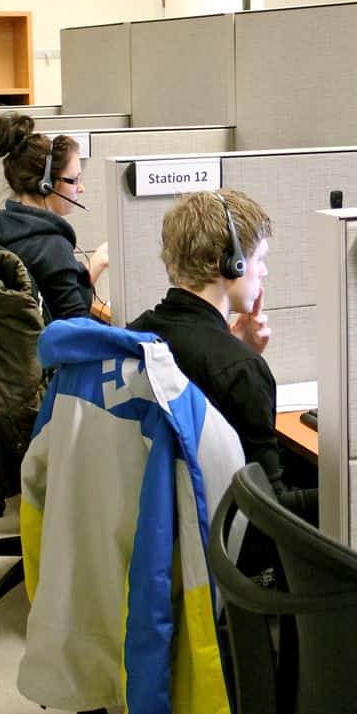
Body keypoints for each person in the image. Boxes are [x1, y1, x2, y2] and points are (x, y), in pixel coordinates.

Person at [127, 189, 317, 525]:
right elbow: (268, 511)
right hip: (222, 537)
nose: (264, 272)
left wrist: (235, 348)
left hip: (161, 522)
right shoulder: (239, 370)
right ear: (230, 263)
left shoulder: (139, 332)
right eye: (259, 259)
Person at [0, 112, 108, 322]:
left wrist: (97, 262)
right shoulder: (52, 247)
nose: (81, 188)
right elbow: (78, 328)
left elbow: (52, 291)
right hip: (51, 343)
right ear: (45, 185)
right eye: (74, 180)